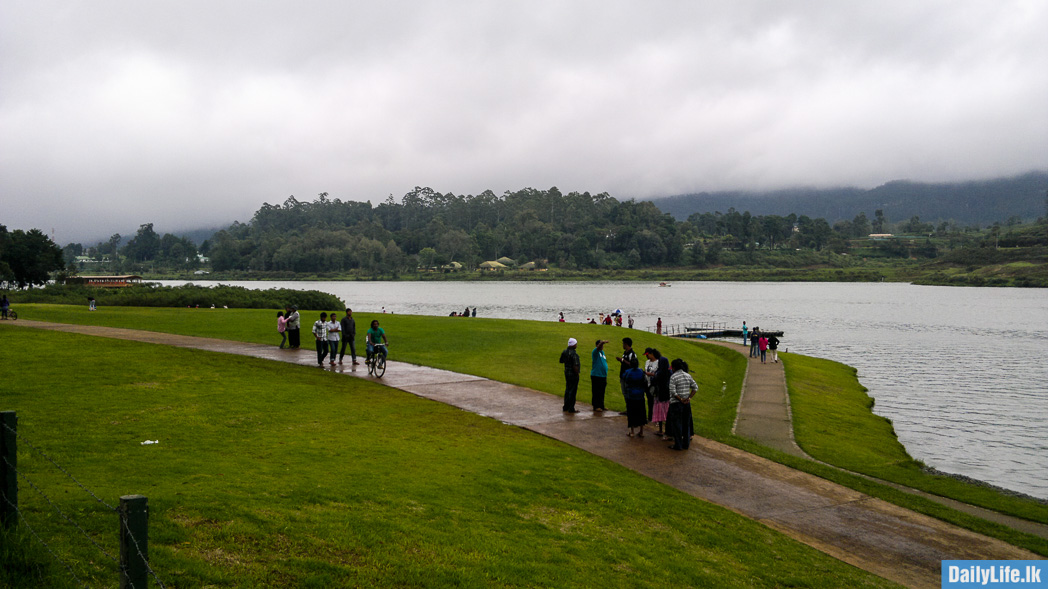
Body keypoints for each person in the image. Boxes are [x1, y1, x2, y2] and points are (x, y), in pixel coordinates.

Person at [667, 358, 698, 450]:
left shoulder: (673, 377)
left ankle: (678, 445)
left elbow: (673, 391)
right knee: (686, 424)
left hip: (676, 403)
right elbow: (695, 387)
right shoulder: (687, 375)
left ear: (674, 367)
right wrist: (689, 398)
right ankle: (686, 444)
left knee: (677, 425)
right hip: (686, 404)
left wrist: (680, 399)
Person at [623, 358, 647, 437]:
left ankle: (632, 431)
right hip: (640, 395)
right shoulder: (641, 372)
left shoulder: (628, 372)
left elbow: (625, 380)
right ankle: (641, 431)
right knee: (641, 413)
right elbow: (645, 382)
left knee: (631, 413)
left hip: (631, 396)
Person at [615, 338, 638, 414]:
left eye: (623, 344)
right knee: (625, 393)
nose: (622, 345)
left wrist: (622, 360)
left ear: (626, 344)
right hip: (623, 376)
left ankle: (631, 409)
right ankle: (628, 408)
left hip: (629, 377)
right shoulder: (625, 353)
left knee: (628, 393)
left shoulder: (632, 354)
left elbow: (632, 364)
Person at [559, 338, 581, 413]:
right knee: (573, 391)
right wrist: (577, 374)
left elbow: (561, 360)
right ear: (573, 345)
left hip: (567, 373)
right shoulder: (574, 354)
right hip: (573, 374)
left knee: (567, 389)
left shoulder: (564, 352)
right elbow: (575, 365)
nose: (576, 345)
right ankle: (571, 408)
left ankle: (566, 406)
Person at [590, 339, 610, 411]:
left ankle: (601, 405)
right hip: (596, 375)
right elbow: (598, 348)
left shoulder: (602, 353)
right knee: (596, 391)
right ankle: (596, 406)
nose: (602, 346)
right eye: (601, 345)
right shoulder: (595, 352)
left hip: (603, 375)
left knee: (602, 391)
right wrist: (602, 342)